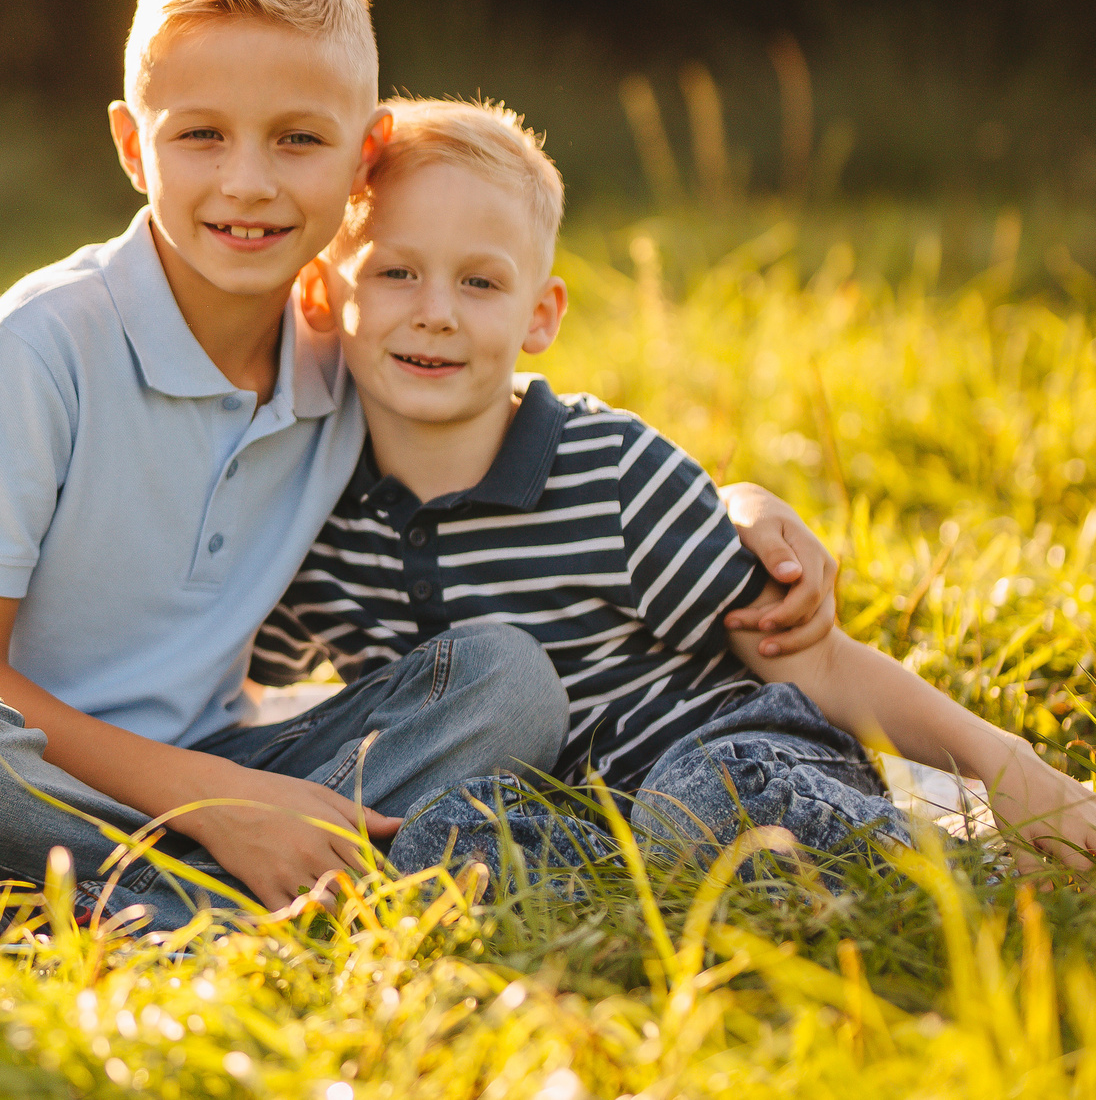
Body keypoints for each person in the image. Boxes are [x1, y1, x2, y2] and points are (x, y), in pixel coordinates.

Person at [0, 0, 838, 926]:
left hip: (230, 761)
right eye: (201, 135)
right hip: (17, 779)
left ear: (364, 156)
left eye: (298, 138)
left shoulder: (348, 352)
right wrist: (218, 810)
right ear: (134, 146)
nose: (249, 182)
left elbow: (524, 428)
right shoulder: (33, 355)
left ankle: (157, 907)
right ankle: (216, 905)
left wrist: (732, 506)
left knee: (506, 680)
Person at [257, 97, 1096, 875]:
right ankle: (648, 903)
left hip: (736, 754)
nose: (436, 310)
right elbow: (239, 681)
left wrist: (1006, 766)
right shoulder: (314, 513)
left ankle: (965, 861)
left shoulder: (609, 470)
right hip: (584, 822)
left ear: (540, 316)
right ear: (322, 294)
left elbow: (818, 659)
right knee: (439, 834)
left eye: (479, 282)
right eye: (397, 272)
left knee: (699, 804)